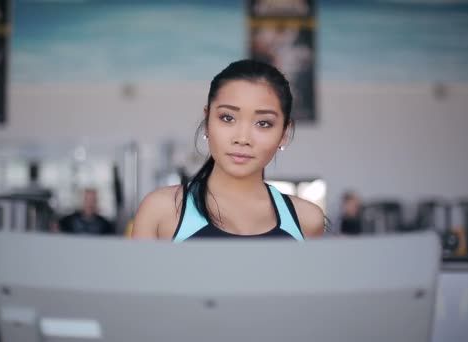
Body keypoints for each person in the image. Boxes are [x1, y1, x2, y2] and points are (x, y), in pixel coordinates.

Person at [132, 59, 324, 241]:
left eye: (263, 123)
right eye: (227, 118)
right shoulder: (161, 210)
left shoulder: (307, 221)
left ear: (284, 133)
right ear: (207, 122)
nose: (242, 138)